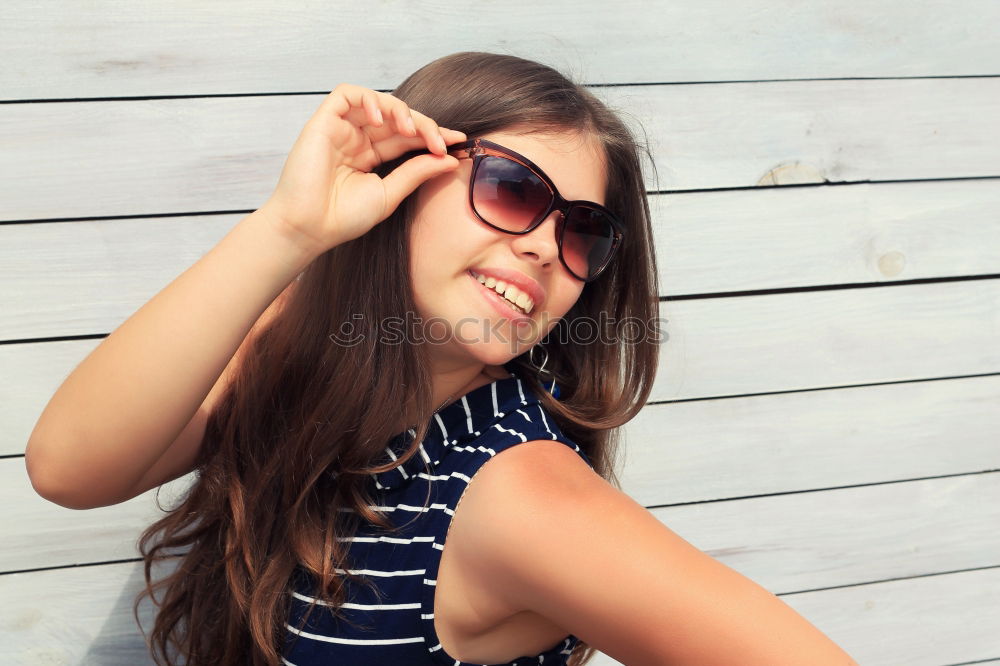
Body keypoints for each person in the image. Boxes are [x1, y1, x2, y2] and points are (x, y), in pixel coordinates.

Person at [24, 52, 859, 666]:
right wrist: (290, 226)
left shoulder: (519, 494)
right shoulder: (291, 348)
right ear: (400, 178)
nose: (540, 247)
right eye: (510, 189)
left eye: (582, 233)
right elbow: (69, 468)